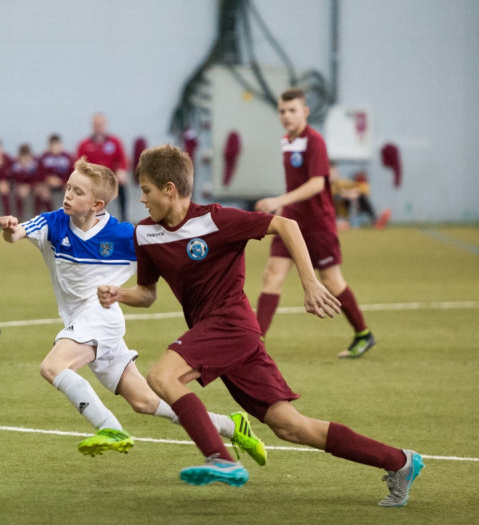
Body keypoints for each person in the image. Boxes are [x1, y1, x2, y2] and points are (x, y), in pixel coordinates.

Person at [98, 144, 423, 507]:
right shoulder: (147, 235)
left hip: (232, 325)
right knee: (290, 426)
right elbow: (147, 293)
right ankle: (400, 462)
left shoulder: (217, 220)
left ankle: (220, 458)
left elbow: (286, 224)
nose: (141, 199)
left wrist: (310, 282)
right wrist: (119, 295)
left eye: (146, 190)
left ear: (170, 190)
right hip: (225, 337)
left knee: (161, 377)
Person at [0, 157, 266, 463]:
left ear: (98, 204)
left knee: (53, 367)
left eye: (78, 191)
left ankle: (109, 427)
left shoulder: (126, 235)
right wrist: (9, 228)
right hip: (83, 324)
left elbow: (165, 249)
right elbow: (17, 233)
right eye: (69, 187)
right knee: (145, 401)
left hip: (101, 315)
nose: (68, 195)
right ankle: (232, 426)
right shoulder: (52, 222)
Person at [254, 88, 375, 359]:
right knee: (272, 274)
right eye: (282, 111)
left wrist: (278, 200)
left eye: (292, 110)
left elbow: (317, 184)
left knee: (331, 281)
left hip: (318, 225)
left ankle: (363, 334)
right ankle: (255, 345)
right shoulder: (287, 141)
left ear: (305, 112)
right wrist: (283, 206)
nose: (286, 116)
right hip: (289, 223)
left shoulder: (314, 141)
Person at [76, 113, 129, 221]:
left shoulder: (115, 142)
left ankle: (124, 217)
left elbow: (122, 159)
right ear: (92, 126)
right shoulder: (84, 144)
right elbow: (79, 164)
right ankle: (88, 219)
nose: (98, 127)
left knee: (122, 184)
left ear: (105, 125)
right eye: (96, 125)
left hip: (110, 178)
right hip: (93, 179)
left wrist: (122, 171)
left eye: (101, 125)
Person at [34, 133, 73, 214]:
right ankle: (49, 214)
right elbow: (40, 172)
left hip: (64, 182)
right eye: (53, 145)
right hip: (48, 183)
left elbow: (72, 173)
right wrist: (48, 179)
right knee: (41, 190)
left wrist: (62, 181)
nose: (55, 148)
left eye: (57, 145)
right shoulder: (44, 157)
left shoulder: (67, 157)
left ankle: (70, 214)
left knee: (70, 190)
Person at [10, 143, 39, 218]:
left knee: (40, 191)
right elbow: (14, 179)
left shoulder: (35, 163)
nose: (26, 160)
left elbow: (38, 178)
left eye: (27, 158)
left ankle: (38, 216)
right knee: (19, 192)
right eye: (23, 158)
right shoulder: (15, 165)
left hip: (33, 185)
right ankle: (20, 217)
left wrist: (29, 186)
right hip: (21, 185)